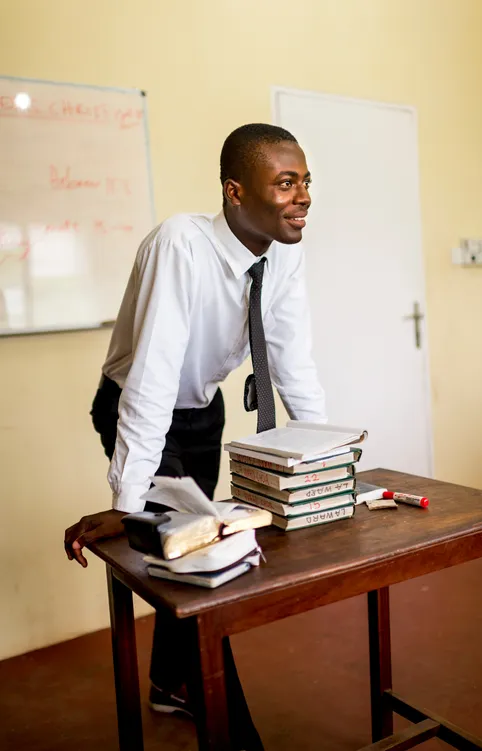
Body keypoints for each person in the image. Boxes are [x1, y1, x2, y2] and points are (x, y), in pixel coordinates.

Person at [64, 123, 327, 750]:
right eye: (286, 182)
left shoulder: (284, 253)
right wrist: (128, 504)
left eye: (307, 182)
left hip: (202, 413)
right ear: (235, 193)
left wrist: (325, 469)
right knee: (208, 568)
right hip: (136, 408)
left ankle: (167, 682)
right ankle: (238, 737)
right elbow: (150, 383)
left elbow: (295, 364)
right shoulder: (181, 245)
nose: (304, 196)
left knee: (185, 556)